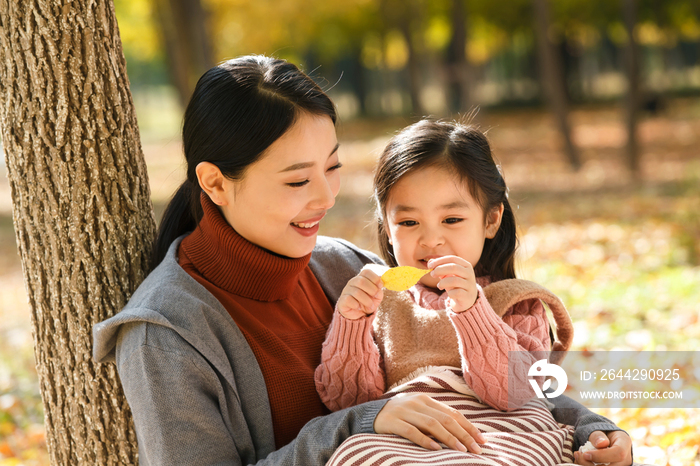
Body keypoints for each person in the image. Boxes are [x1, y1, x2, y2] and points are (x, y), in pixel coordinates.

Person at [91, 55, 633, 466]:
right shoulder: (167, 333)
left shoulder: (343, 267)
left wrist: (594, 430)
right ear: (215, 183)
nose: (326, 198)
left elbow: (487, 381)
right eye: (298, 180)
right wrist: (361, 424)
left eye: (333, 168)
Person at [314, 119, 607, 464]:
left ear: (490, 221)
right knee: (353, 453)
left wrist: (472, 312)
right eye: (408, 223)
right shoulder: (382, 302)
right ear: (387, 228)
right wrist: (350, 324)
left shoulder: (518, 302)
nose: (431, 239)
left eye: (451, 220)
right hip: (409, 444)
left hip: (501, 437)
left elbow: (513, 395)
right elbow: (348, 403)